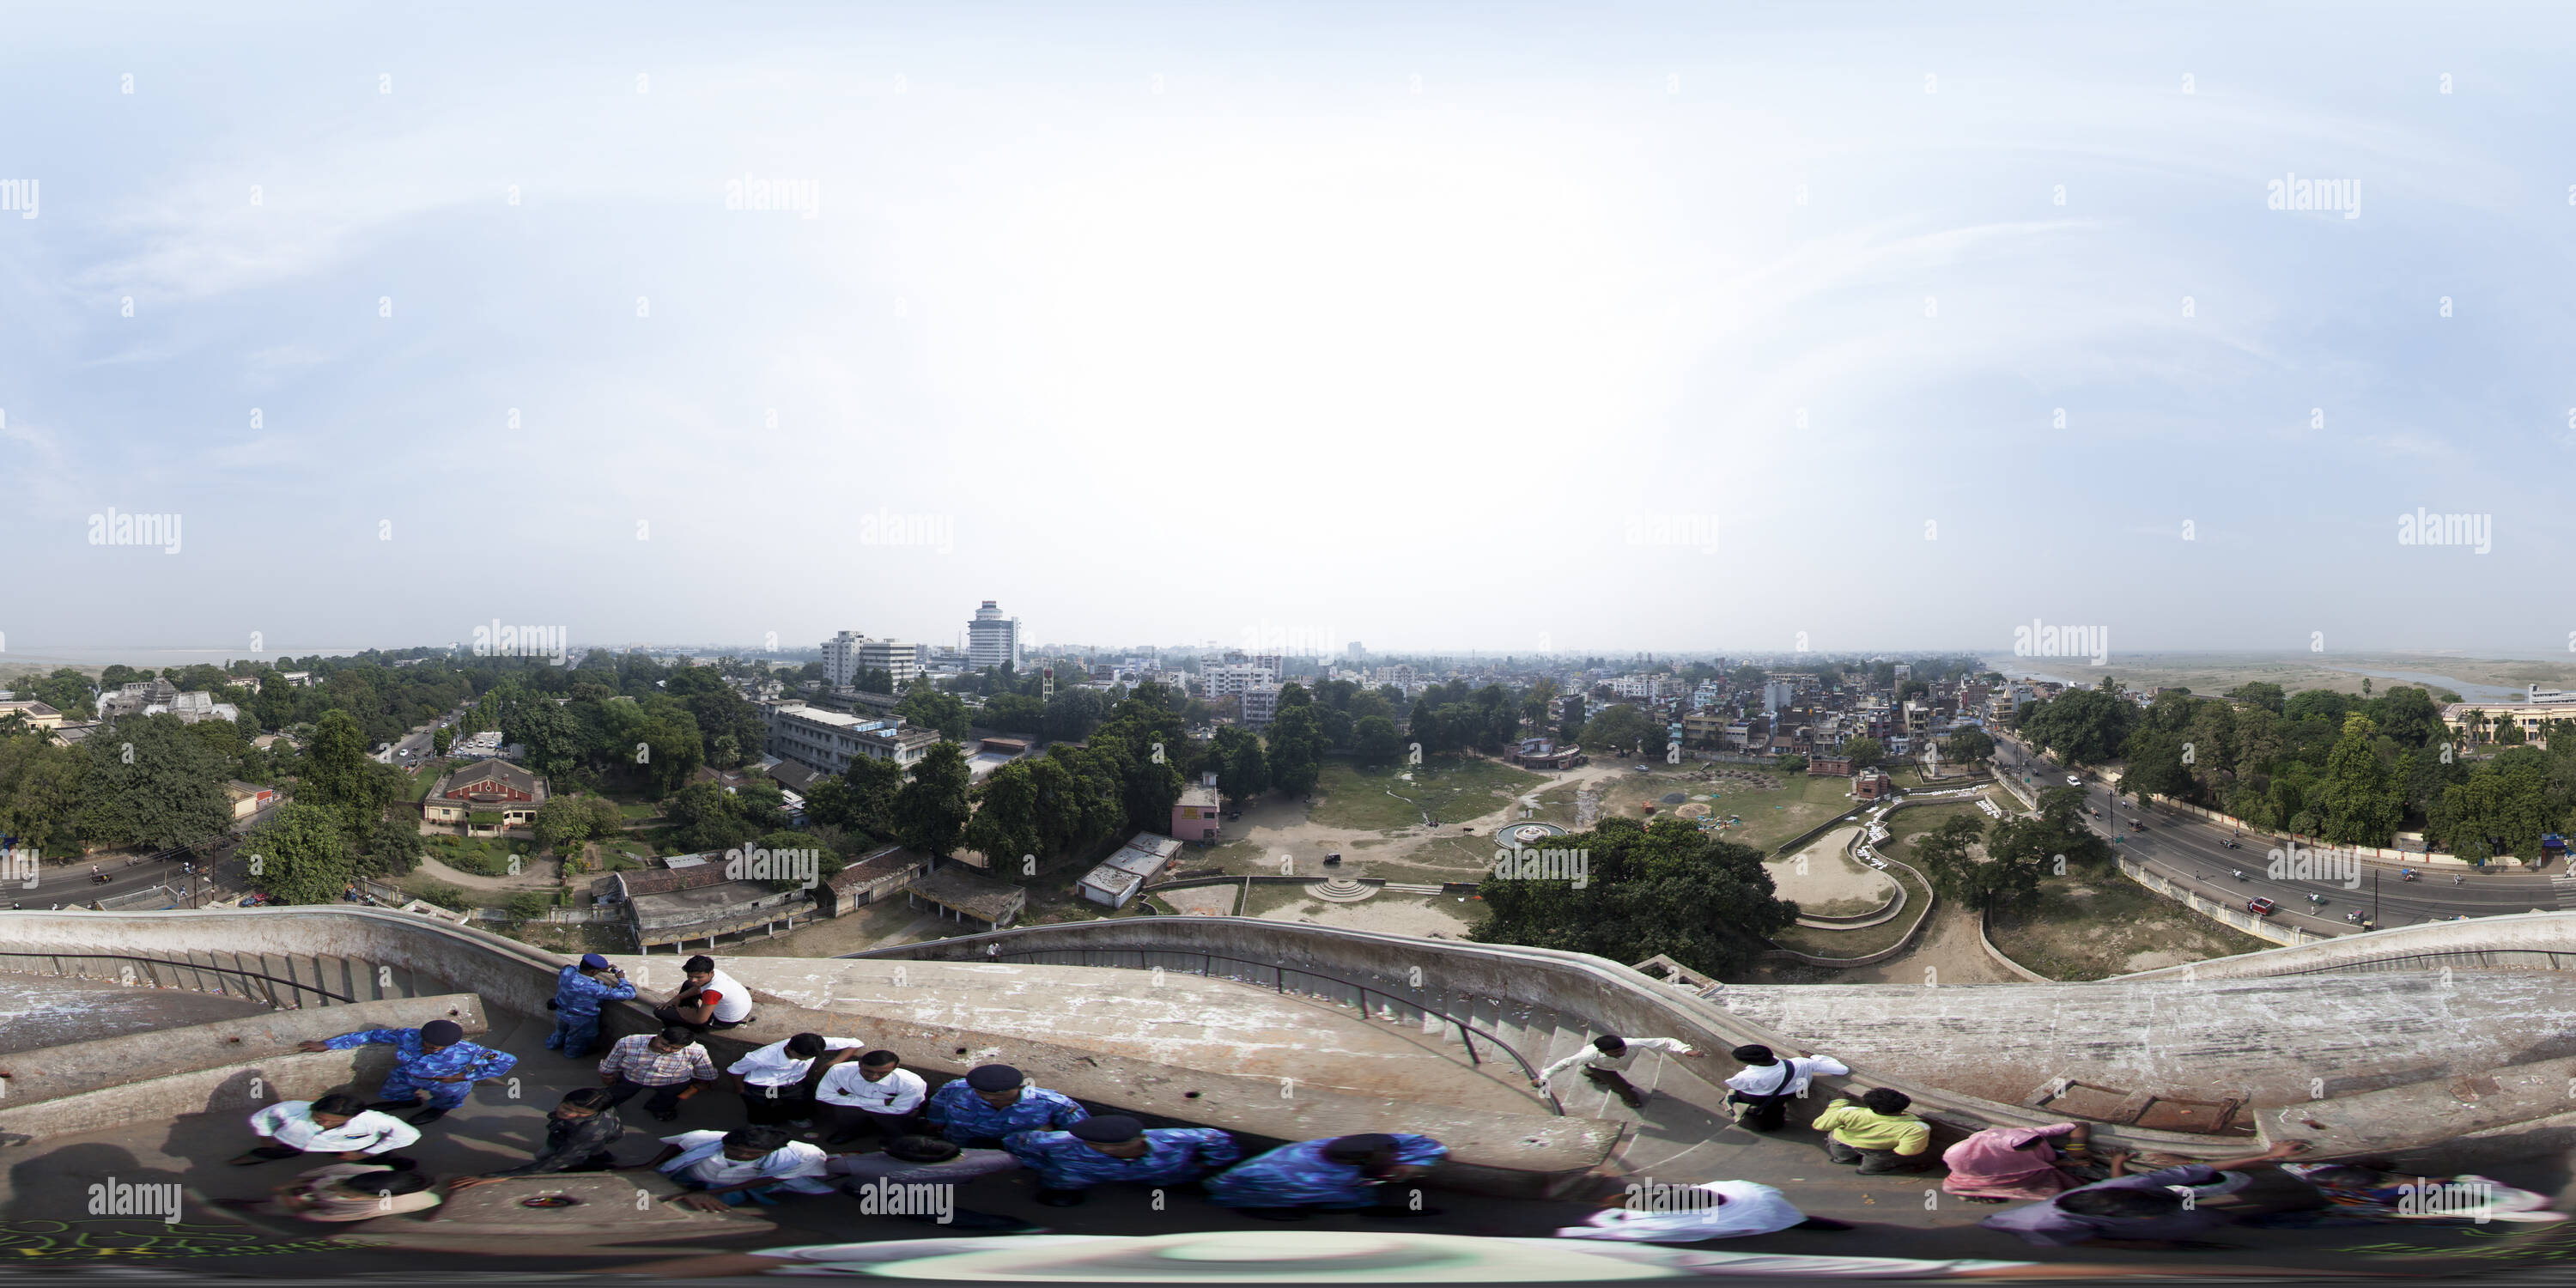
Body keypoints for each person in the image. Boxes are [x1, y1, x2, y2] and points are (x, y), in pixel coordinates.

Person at [1980, 1141, 2310, 1248]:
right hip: (2040, 1230)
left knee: (2212, 1213)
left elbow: (2204, 1168)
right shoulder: (2055, 1226)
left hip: (2147, 1215)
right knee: (2214, 1219)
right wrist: (2152, 1242)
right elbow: (2102, 1240)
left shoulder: (2119, 1189)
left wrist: (2269, 1155)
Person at [298, 1018, 519, 1126]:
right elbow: (372, 1035)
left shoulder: (471, 1051)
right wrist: (329, 1044)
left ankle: (437, 1110)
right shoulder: (407, 1036)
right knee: (391, 1092)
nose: (427, 1049)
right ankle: (406, 1102)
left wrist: (463, 1076)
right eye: (426, 1044)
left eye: (435, 1048)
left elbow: (507, 1061)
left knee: (448, 1099)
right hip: (407, 1074)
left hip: (446, 1081)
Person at [1002, 1115, 1240, 1206]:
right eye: (1096, 1145)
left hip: (1164, 1172)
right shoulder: (1062, 1141)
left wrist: (1210, 1163)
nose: (1106, 1149)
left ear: (1140, 1138)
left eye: (1117, 1145)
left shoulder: (1175, 1139)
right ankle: (1063, 1193)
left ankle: (1178, 1185)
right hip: (1081, 1174)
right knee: (1061, 1182)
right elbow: (1019, 1142)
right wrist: (1039, 1164)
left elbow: (1215, 1138)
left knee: (1178, 1178)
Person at [1203, 1132, 1446, 1221]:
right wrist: (1365, 1199)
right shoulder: (1314, 1177)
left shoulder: (1374, 1143)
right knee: (1333, 1205)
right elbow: (1346, 1195)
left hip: (1278, 1177)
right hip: (1257, 1188)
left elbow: (1424, 1145)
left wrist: (1415, 1165)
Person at [2253, 1160, 2567, 1227]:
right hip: (2409, 1205)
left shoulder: (2325, 1182)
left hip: (2371, 1207)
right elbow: (2434, 1183)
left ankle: (2265, 1222)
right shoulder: (2388, 1187)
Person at [825, 1133, 1034, 1231]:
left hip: (883, 1191)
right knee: (951, 1215)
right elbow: (1015, 1161)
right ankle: (1015, 1226)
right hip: (949, 1181)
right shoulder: (988, 1159)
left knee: (918, 1209)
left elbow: (832, 1166)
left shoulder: (865, 1164)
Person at [1555, 1179, 1851, 1241]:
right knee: (1797, 1221)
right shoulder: (1728, 1188)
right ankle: (1835, 1227)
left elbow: (1685, 1229)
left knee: (1785, 1224)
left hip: (1748, 1216)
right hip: (1759, 1206)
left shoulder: (1655, 1218)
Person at [448, 1088, 629, 1188]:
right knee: (595, 1150)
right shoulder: (601, 1105)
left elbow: (554, 1162)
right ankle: (601, 1157)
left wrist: (499, 1176)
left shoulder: (588, 1132)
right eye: (566, 1108)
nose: (570, 1114)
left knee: (545, 1156)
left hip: (579, 1138)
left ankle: (594, 1164)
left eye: (579, 1113)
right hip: (602, 1136)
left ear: (595, 1113)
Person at [633, 1125, 835, 1211]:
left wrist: (715, 1193)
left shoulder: (805, 1154)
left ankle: (709, 1193)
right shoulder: (704, 1137)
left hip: (739, 1183)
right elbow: (678, 1144)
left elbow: (775, 1178)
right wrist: (649, 1166)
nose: (741, 1156)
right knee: (666, 1185)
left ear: (770, 1151)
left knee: (723, 1203)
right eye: (734, 1151)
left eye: (751, 1155)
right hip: (696, 1173)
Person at [232, 1093, 421, 1169]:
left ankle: (391, 1163)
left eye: (332, 1122)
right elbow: (262, 1118)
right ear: (313, 1107)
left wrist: (363, 1153)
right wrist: (266, 1137)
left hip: (352, 1146)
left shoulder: (374, 1120)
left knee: (377, 1158)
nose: (323, 1124)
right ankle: (261, 1155)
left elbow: (409, 1135)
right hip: (292, 1140)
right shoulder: (291, 1108)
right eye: (318, 1118)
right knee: (275, 1150)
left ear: (352, 1117)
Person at [923, 1064, 1088, 1148]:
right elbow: (938, 1104)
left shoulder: (1052, 1102)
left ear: (1020, 1087)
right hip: (964, 1139)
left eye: (999, 1095)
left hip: (1020, 1144)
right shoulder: (956, 1089)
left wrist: (1048, 1139)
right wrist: (935, 1121)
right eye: (981, 1093)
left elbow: (1080, 1131)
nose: (988, 1098)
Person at [728, 1032, 866, 1127]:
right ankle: (762, 1123)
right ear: (789, 1048)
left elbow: (856, 1043)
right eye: (801, 1057)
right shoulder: (762, 1057)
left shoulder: (814, 1044)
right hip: (768, 1085)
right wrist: (740, 1088)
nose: (805, 1060)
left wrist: (832, 1063)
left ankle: (795, 1117)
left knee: (799, 1102)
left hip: (794, 1083)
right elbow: (736, 1070)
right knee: (762, 1105)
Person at [1941, 1122, 2099, 1203]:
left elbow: (2080, 1125)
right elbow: (2024, 1166)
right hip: (1995, 1178)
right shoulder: (1960, 1154)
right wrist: (2065, 1164)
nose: (2037, 1147)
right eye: (2029, 1148)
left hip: (2030, 1172)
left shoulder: (2029, 1135)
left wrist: (2076, 1146)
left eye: (2036, 1144)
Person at [1534, 1034, 1701, 1110]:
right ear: (1602, 1051)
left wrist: (1685, 1050)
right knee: (1621, 1086)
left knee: (1596, 1072)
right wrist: (1544, 1078)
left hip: (1608, 1066)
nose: (1621, 1053)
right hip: (1602, 1067)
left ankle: (1589, 1072)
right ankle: (1629, 1099)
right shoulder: (1589, 1054)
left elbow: (1665, 1041)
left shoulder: (1633, 1043)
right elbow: (1563, 1064)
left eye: (1622, 1050)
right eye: (1616, 1053)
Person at [598, 1026, 720, 1122]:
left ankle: (659, 1108)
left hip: (671, 1082)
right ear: (659, 1035)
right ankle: (605, 1105)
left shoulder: (697, 1050)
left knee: (668, 1098)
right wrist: (607, 1075)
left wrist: (701, 1084)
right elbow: (611, 1061)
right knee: (615, 1094)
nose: (667, 1050)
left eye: (674, 1048)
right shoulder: (628, 1042)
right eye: (664, 1044)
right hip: (632, 1076)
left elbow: (706, 1071)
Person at [1722, 1044, 1849, 1132]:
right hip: (1795, 1092)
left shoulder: (1747, 1075)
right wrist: (1813, 1057)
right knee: (1801, 1082)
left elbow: (1736, 1085)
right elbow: (1842, 1070)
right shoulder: (1802, 1063)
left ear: (1754, 1063)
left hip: (1759, 1099)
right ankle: (1800, 1102)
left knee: (1736, 1094)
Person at [259, 1163, 443, 1223]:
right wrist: (291, 1185)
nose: (335, 1188)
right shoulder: (354, 1170)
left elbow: (318, 1215)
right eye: (342, 1184)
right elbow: (314, 1174)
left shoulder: (374, 1208)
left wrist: (297, 1204)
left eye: (348, 1194)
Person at [814, 1049, 929, 1145]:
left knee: (898, 1127)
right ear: (859, 1064)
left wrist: (852, 1099)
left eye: (882, 1073)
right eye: (868, 1071)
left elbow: (901, 1108)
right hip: (870, 1106)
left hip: (889, 1112)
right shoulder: (839, 1071)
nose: (873, 1077)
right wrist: (880, 1102)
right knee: (846, 1116)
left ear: (895, 1068)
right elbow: (823, 1096)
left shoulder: (911, 1083)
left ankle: (896, 1138)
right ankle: (849, 1132)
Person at [1811, 1088, 1930, 1174]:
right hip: (1878, 1151)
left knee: (1841, 1153)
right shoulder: (1916, 1128)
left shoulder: (1849, 1112)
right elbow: (1907, 1151)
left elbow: (1820, 1125)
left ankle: (1843, 1159)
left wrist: (1837, 1103)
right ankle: (1869, 1169)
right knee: (1870, 1169)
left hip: (1841, 1142)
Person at [548, 953, 636, 1060]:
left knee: (560, 1032)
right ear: (593, 972)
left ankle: (552, 1045)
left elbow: (569, 967)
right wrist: (622, 979)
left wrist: (596, 968)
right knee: (576, 1040)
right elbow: (629, 993)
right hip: (581, 1019)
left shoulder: (567, 973)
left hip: (561, 1011)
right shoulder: (595, 988)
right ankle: (571, 1054)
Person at [655, 955, 755, 1031]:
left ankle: (684, 1030)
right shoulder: (715, 973)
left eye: (699, 977)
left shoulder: (712, 992)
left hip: (724, 1021)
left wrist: (685, 1013)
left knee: (660, 1012)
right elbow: (698, 988)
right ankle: (691, 1010)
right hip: (739, 1010)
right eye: (690, 976)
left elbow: (700, 1020)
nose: (694, 980)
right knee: (688, 984)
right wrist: (678, 997)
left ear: (711, 973)